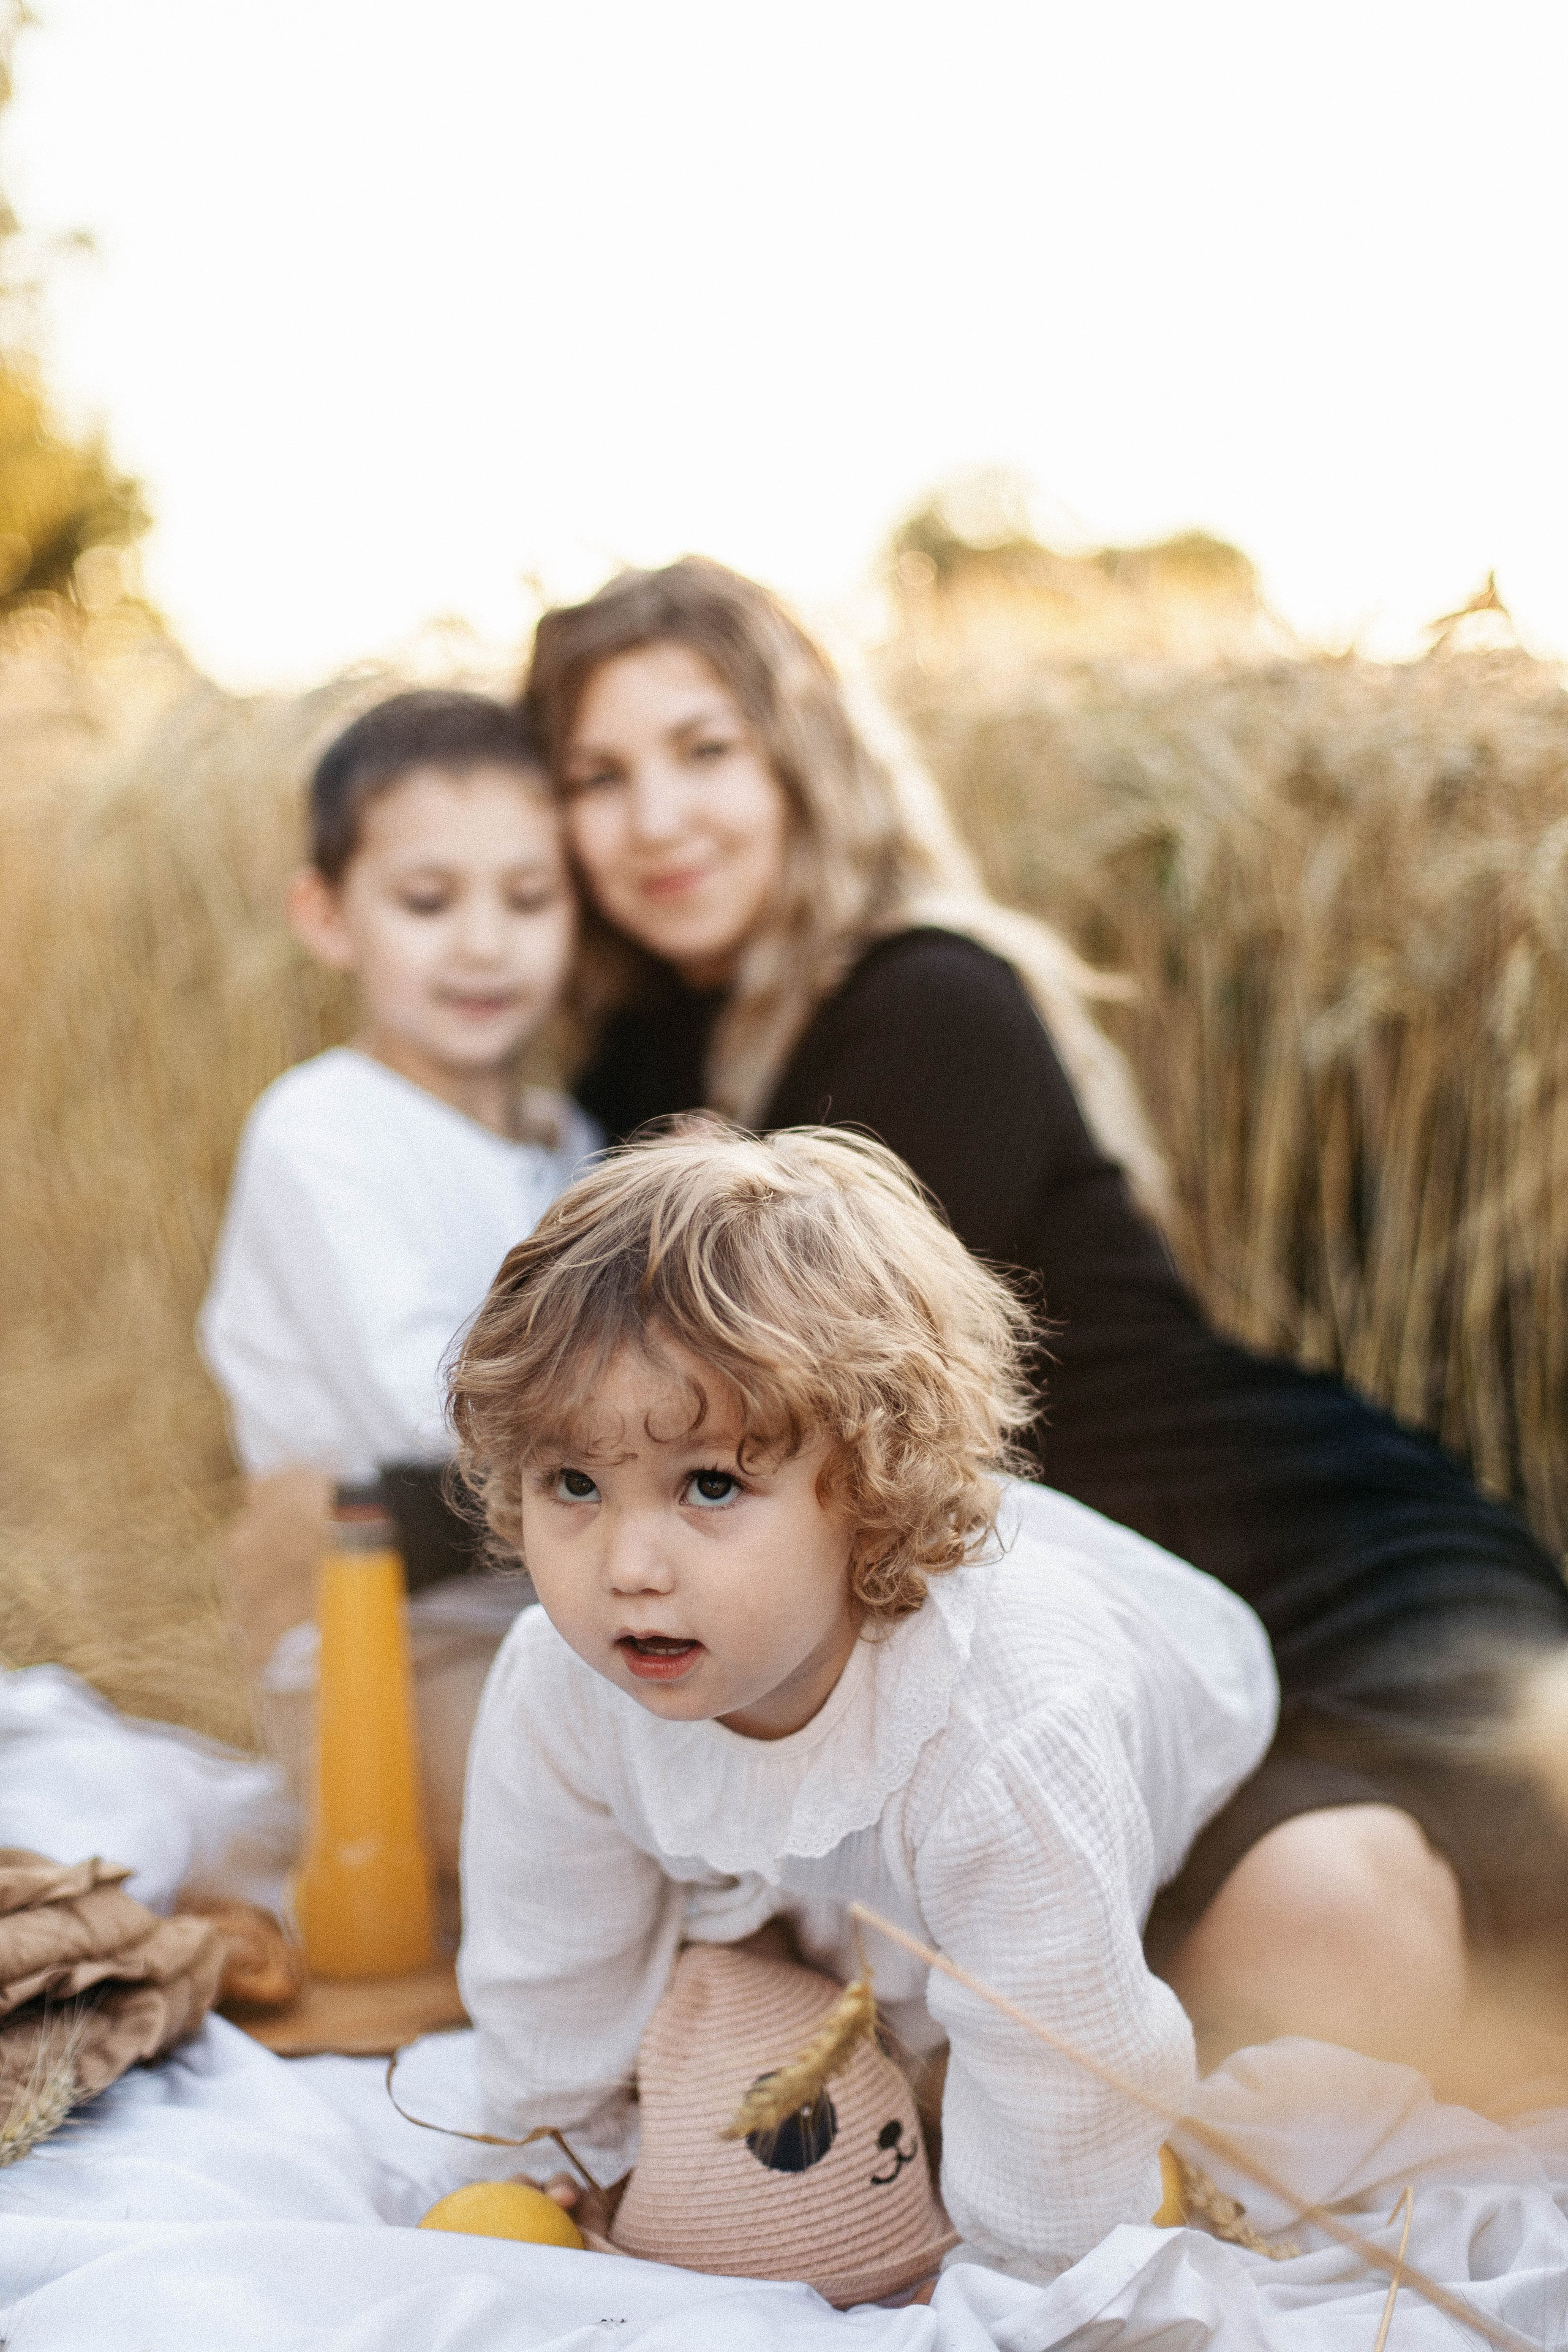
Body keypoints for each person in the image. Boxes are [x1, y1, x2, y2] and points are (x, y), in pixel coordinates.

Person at [519, 557, 1568, 2092]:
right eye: (597, 777)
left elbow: (702, 1408)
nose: (655, 818)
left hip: (1315, 1580)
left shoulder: (924, 999)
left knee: (1423, 1963)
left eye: (703, 750)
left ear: (799, 753)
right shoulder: (651, 1059)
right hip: (1112, 1643)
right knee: (1304, 1963)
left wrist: (390, 1514)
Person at [451, 1124, 1278, 2284]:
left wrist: (1016, 2277)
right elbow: (548, 1952)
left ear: (873, 1493)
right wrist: (565, 2151)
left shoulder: (1006, 1725)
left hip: (1179, 1795)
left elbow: (1067, 2061)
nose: (629, 1565)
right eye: (573, 1485)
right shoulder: (562, 1684)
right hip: (856, 1844)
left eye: (710, 1486)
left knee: (1240, 1993)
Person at [199, 688, 598, 1873]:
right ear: (328, 916)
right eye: (429, 902)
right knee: (574, 1825)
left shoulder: (566, 1136)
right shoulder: (320, 1128)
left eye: (529, 899)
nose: (483, 942)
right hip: (380, 1641)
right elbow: (419, 1402)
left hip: (563, 1618)